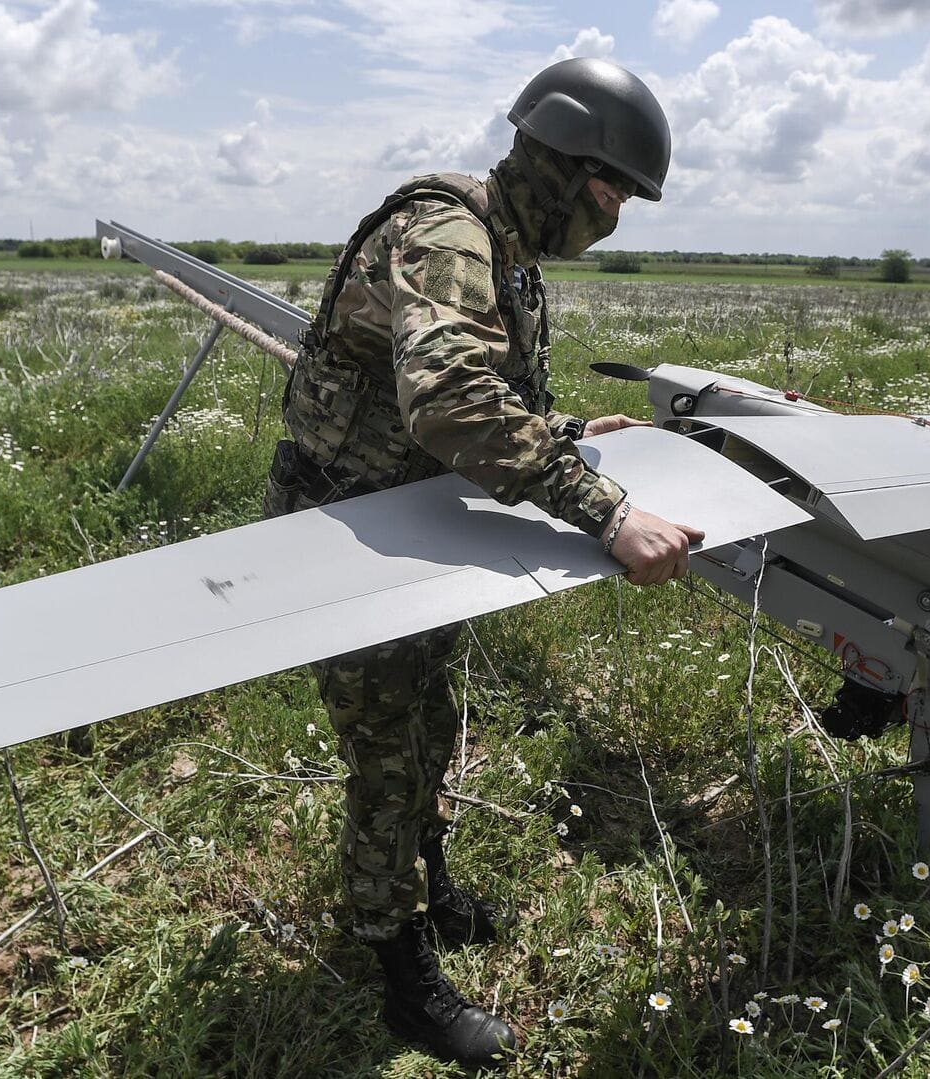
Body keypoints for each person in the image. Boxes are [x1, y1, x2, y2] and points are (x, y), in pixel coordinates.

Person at [262, 57, 702, 1069]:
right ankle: (396, 960)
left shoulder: (504, 246)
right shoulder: (450, 234)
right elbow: (451, 398)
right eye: (610, 190)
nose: (616, 215)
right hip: (344, 525)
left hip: (414, 514)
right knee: (387, 749)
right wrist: (605, 511)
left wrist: (560, 424)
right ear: (559, 159)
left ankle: (427, 878)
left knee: (432, 715)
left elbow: (489, 391)